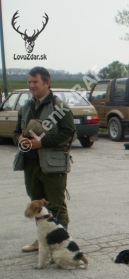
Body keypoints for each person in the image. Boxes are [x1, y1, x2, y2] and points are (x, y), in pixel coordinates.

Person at [14, 66, 76, 252]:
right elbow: (17, 131)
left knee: (56, 205)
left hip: (53, 165)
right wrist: (19, 138)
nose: (31, 86)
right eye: (29, 82)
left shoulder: (60, 107)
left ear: (47, 83)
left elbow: (69, 134)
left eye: (35, 82)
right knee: (37, 204)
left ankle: (60, 243)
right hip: (31, 165)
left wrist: (43, 143)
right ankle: (42, 241)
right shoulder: (26, 107)